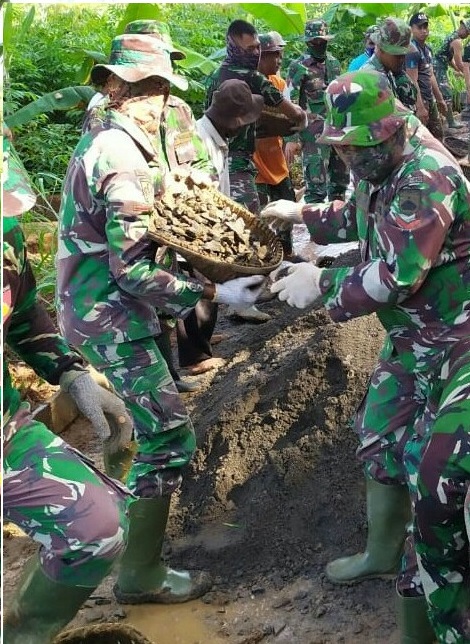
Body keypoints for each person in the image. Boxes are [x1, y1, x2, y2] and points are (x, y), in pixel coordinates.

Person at [56, 32, 265, 606]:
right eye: (157, 92)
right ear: (136, 91)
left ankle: (125, 535)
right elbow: (131, 271)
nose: (164, 106)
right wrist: (214, 295)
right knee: (171, 435)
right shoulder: (121, 157)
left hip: (119, 311)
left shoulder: (123, 139)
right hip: (108, 314)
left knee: (157, 426)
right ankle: (138, 574)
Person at [261, 70, 470, 643]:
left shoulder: (428, 177)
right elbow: (363, 219)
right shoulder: (377, 168)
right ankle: (383, 553)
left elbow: (396, 274)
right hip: (410, 340)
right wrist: (302, 212)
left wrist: (322, 283)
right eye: (343, 149)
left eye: (358, 150)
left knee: (437, 482)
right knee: (378, 435)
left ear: (390, 133)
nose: (351, 161)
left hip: (457, 345)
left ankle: (440, 610)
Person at [3, 134, 133, 642]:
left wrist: (71, 372)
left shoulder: (5, 227)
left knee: (94, 528)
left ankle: (24, 634)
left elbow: (22, 310)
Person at [123, 19, 223, 381]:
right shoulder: (109, 114)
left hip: (182, 217)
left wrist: (201, 189)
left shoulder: (178, 108)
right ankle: (164, 379)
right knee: (148, 298)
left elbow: (198, 159)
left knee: (192, 281)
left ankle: (192, 358)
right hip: (137, 222)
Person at [205, 19, 306, 323]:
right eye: (250, 48)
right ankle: (242, 300)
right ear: (233, 46)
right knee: (250, 230)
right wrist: (299, 119)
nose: (255, 53)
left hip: (221, 159)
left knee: (239, 229)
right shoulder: (251, 78)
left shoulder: (215, 75)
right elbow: (291, 112)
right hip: (235, 164)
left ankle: (251, 289)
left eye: (258, 48)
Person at [285, 19, 348, 204]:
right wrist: (291, 139)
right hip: (313, 135)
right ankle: (316, 232)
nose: (319, 45)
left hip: (337, 132)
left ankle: (337, 229)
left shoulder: (334, 64)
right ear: (308, 42)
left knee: (339, 186)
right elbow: (290, 103)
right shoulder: (299, 66)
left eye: (323, 41)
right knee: (316, 189)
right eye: (315, 42)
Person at [253, 31, 297, 259]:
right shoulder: (248, 83)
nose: (279, 60)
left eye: (280, 54)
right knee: (256, 216)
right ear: (260, 56)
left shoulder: (279, 84)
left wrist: (291, 139)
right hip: (254, 161)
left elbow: (292, 117)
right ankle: (260, 258)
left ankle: (286, 253)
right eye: (274, 55)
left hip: (275, 158)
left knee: (287, 206)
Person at [361, 17, 417, 113]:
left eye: (404, 54)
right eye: (397, 55)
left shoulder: (391, 70)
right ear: (381, 48)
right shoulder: (370, 77)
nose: (402, 59)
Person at [405, 12, 447, 140]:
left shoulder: (427, 49)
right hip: (419, 99)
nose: (424, 31)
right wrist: (420, 107)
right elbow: (412, 80)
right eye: (420, 27)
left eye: (425, 27)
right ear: (411, 29)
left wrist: (439, 99)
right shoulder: (411, 51)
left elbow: (431, 75)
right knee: (421, 138)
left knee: (438, 134)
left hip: (429, 98)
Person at [433, 18, 470, 129]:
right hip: (438, 67)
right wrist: (465, 74)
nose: (467, 35)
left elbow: (449, 59)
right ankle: (451, 122)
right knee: (446, 94)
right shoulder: (457, 41)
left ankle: (443, 118)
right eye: (468, 32)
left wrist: (458, 70)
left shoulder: (451, 36)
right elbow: (459, 63)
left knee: (438, 93)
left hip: (436, 65)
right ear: (463, 28)